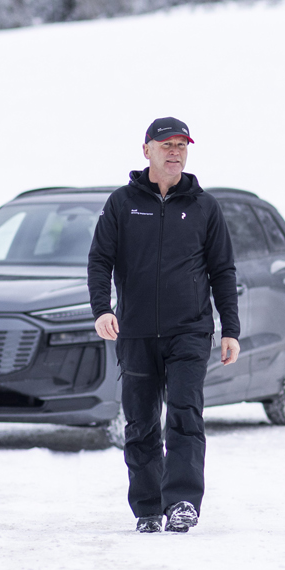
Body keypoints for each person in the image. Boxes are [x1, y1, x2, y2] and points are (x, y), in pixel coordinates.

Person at [87, 117, 241, 534]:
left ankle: (184, 502)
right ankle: (149, 507)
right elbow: (100, 259)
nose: (175, 151)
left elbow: (223, 271)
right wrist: (102, 309)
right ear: (146, 150)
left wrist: (230, 330)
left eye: (181, 145)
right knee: (140, 423)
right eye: (166, 144)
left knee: (186, 415)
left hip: (189, 330)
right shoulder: (122, 203)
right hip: (135, 331)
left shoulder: (204, 206)